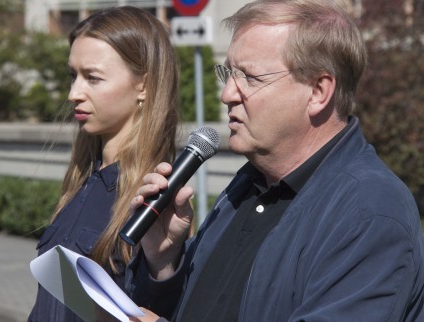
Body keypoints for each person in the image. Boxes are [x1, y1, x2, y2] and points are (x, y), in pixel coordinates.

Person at [126, 0, 424, 321]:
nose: (227, 93)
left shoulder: (369, 213)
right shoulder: (249, 184)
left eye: (250, 77)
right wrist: (165, 263)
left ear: (318, 92)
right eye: (229, 73)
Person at [27, 6, 180, 322]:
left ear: (144, 86)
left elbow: (158, 309)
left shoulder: (152, 198)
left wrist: (163, 265)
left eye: (92, 78)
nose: (74, 94)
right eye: (73, 76)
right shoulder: (85, 180)